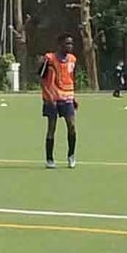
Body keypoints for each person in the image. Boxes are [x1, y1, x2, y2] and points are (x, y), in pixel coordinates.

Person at [39, 33, 79, 169]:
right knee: (52, 128)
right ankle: (49, 159)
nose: (70, 46)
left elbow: (71, 78)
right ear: (60, 45)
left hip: (67, 97)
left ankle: (71, 156)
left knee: (72, 126)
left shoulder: (72, 59)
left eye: (71, 43)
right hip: (52, 99)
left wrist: (73, 97)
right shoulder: (49, 59)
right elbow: (41, 78)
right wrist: (49, 96)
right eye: (67, 44)